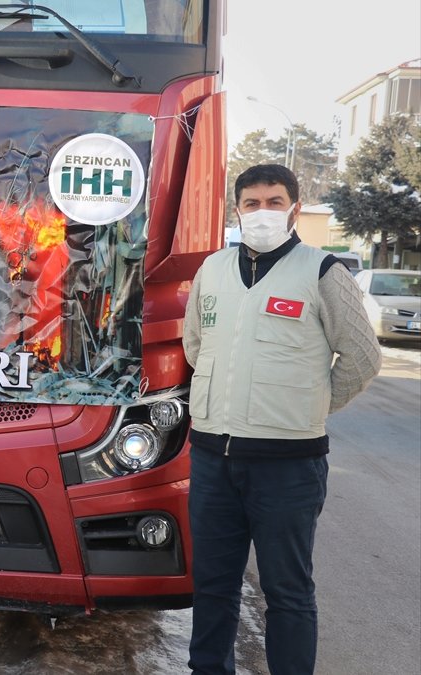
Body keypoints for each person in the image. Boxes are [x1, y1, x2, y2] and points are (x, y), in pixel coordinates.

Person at [183, 164, 382, 675]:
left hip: (287, 466)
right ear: (237, 210)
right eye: (252, 203)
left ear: (293, 207)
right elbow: (195, 346)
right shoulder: (213, 270)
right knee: (212, 588)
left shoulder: (322, 271)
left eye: (274, 201)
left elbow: (361, 358)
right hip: (212, 461)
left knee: (288, 592)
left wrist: (307, 406)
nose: (263, 212)